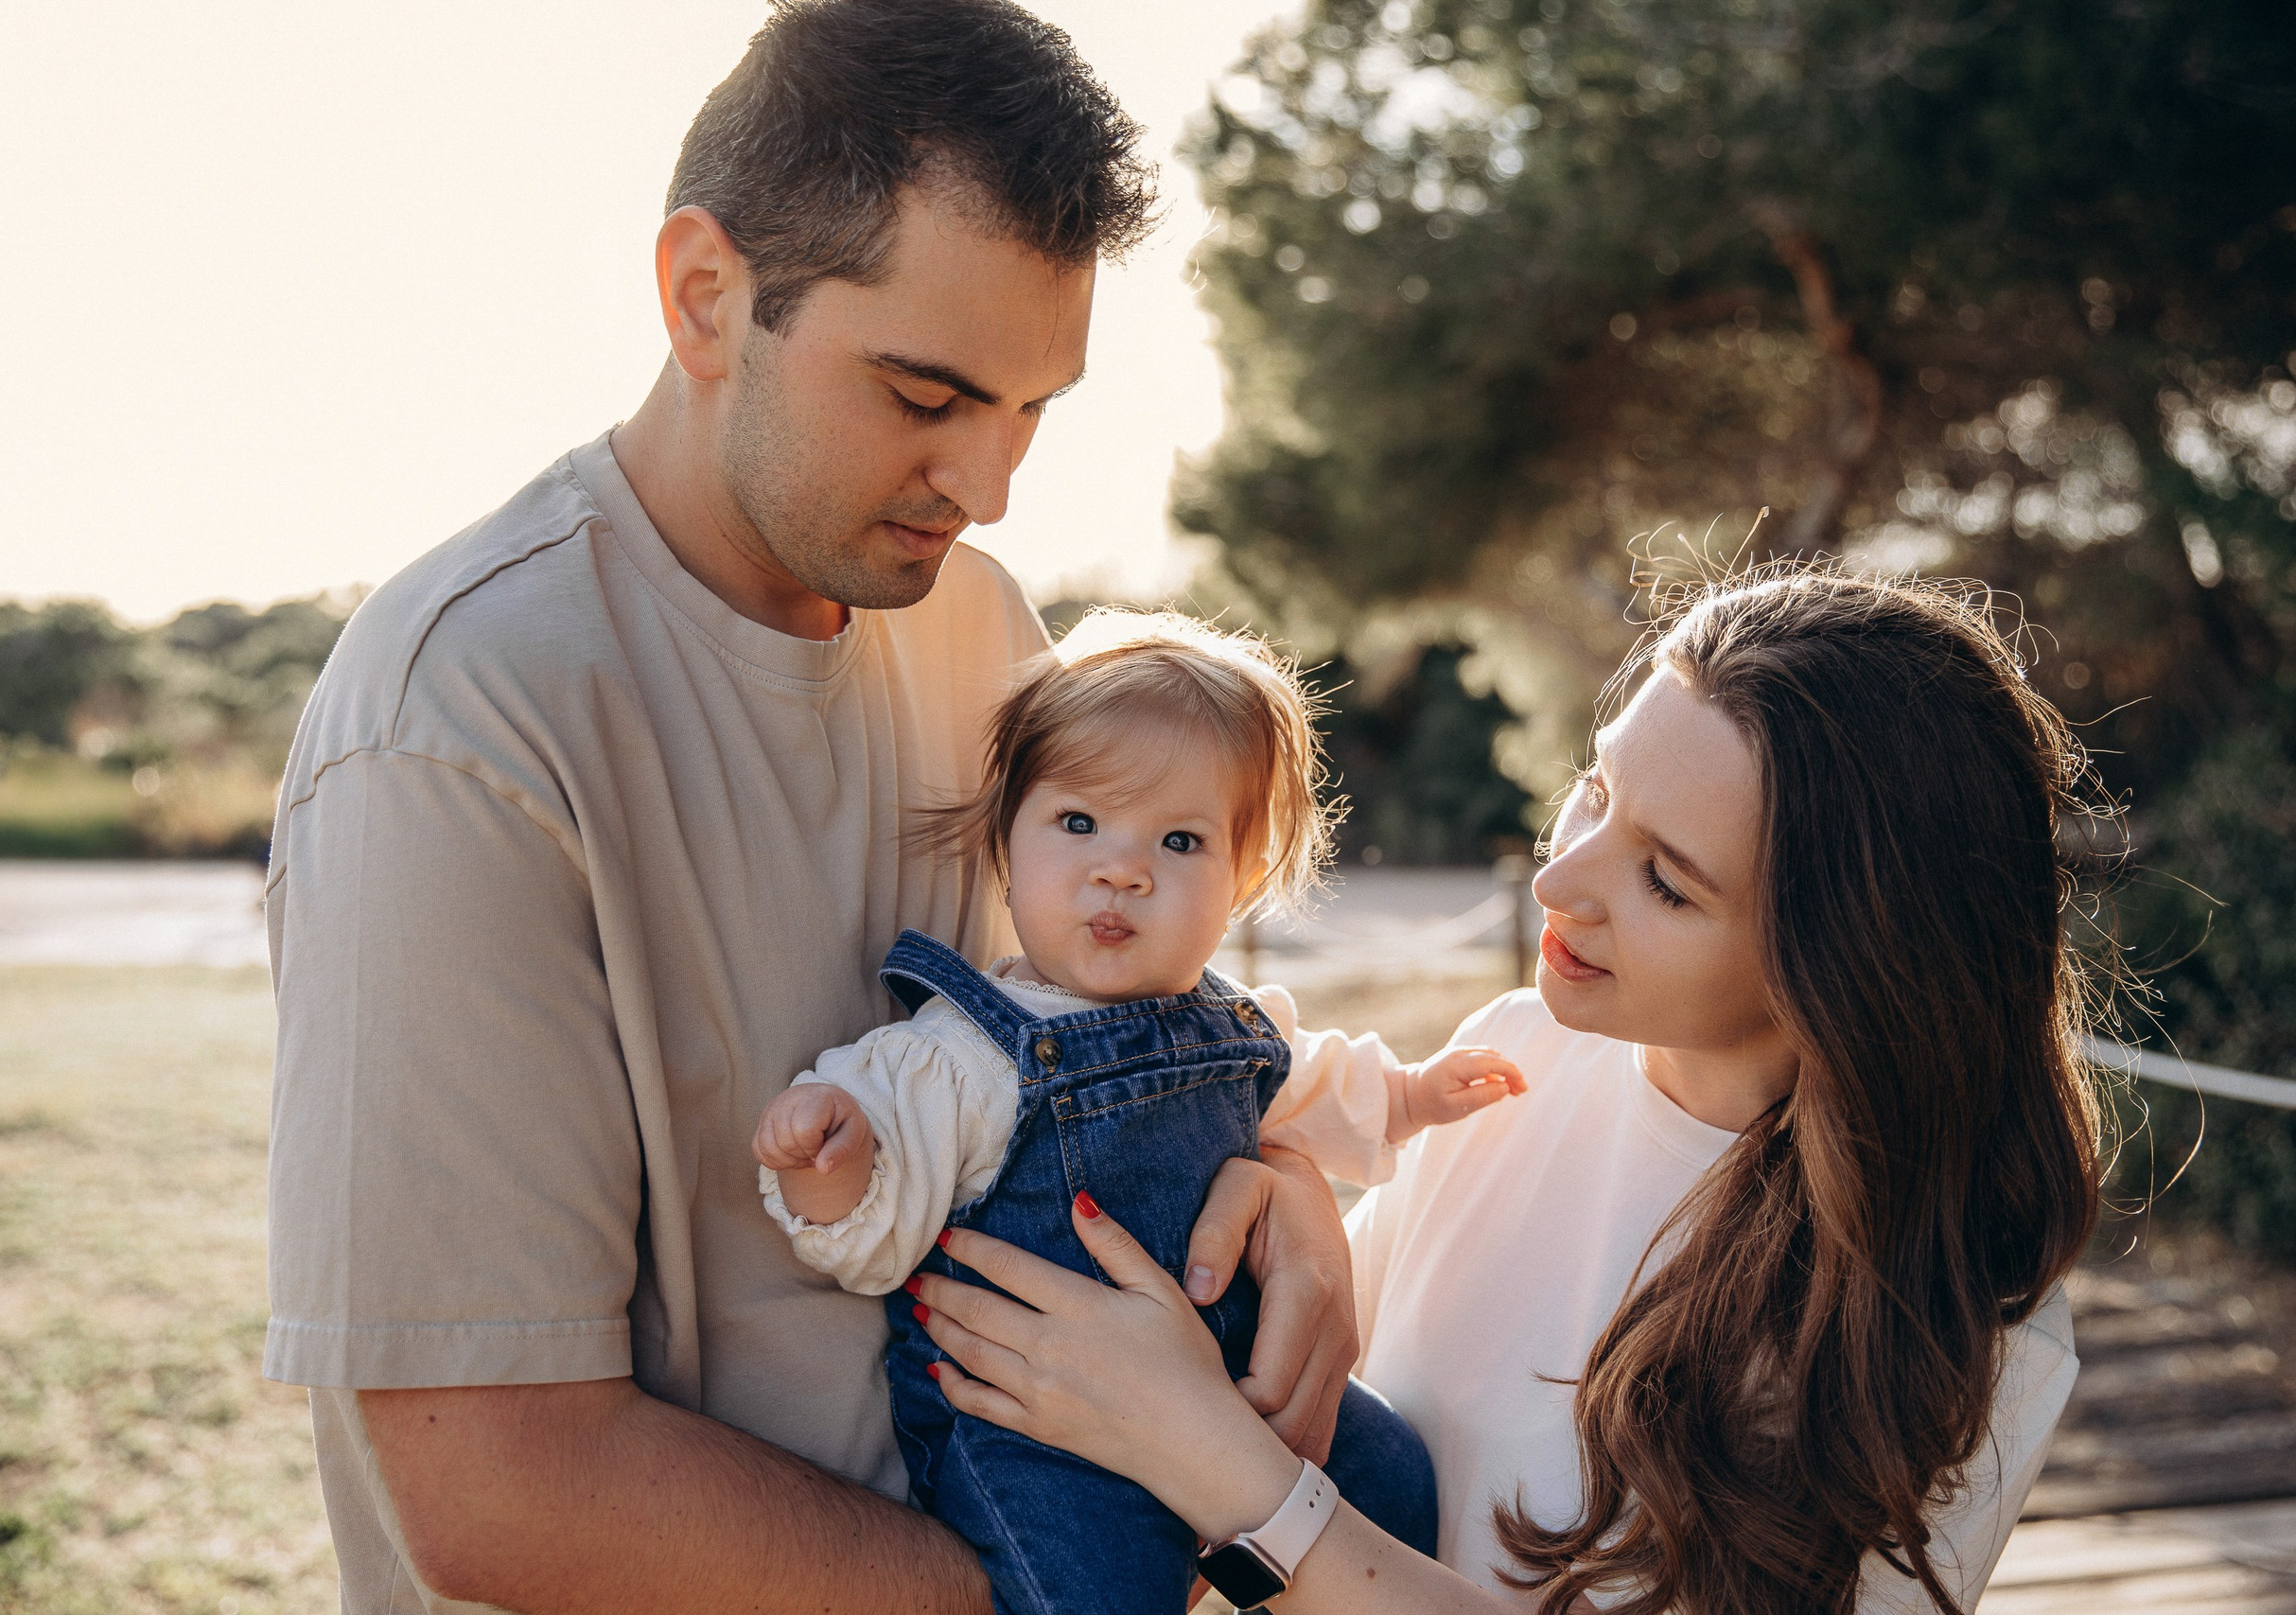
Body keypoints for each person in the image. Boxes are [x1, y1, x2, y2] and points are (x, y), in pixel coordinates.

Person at [262, 6, 1372, 1610]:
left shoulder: (982, 627)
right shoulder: (456, 722)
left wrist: (1288, 1189)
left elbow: (1084, 1037)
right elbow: (497, 1482)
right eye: (926, 393)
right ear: (706, 295)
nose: (989, 485)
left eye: (1032, 408)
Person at [910, 569, 2108, 1614]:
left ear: (1842, 966)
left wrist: (1213, 1466)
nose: (1560, 879)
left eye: (1667, 883)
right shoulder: (1519, 1053)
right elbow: (1334, 1385)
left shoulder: (1959, 1332)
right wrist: (1293, 1200)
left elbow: (1232, 1460)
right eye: (1595, 790)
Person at [753, 609, 1527, 1611]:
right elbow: (870, 1229)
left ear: (1240, 879)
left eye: (1180, 839)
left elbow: (1316, 1082)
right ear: (1007, 838)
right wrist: (836, 1163)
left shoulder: (1230, 1024)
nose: (1123, 869)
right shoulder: (962, 1053)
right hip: (1040, 1435)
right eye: (1078, 823)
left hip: (1239, 1392)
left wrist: (1413, 1094)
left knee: (1394, 1479)